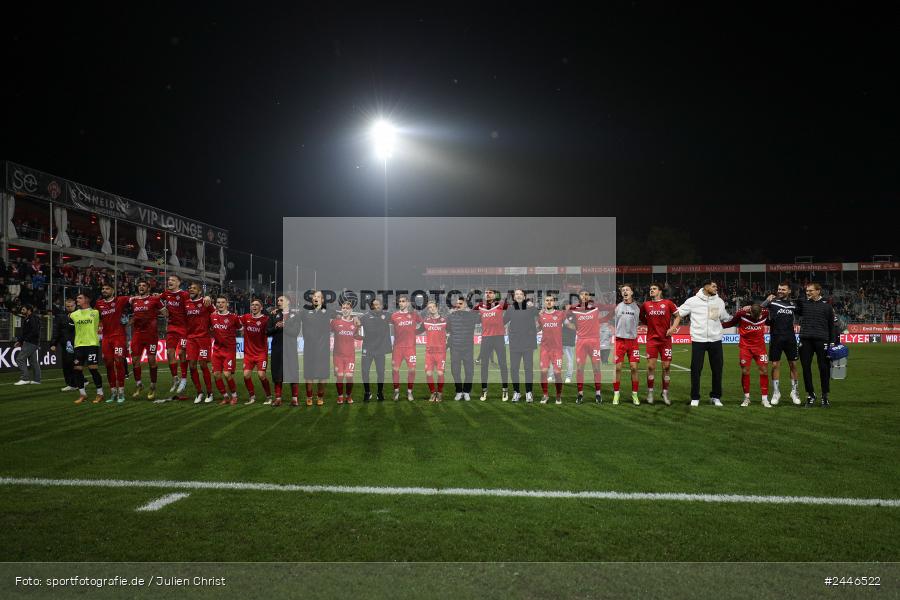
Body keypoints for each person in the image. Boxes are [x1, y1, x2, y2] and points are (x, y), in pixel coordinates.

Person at [675, 279, 732, 407]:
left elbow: (725, 317)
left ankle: (715, 396)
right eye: (714, 286)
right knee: (696, 370)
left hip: (716, 340)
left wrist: (741, 315)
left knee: (717, 370)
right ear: (706, 287)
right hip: (698, 340)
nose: (716, 288)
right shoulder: (692, 301)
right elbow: (678, 313)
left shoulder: (719, 301)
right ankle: (695, 397)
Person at [795, 282, 837, 408]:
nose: (808, 293)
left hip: (822, 340)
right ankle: (811, 395)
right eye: (807, 291)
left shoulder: (828, 307)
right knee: (806, 368)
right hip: (805, 340)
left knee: (824, 368)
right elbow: (791, 308)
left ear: (818, 291)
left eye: (811, 291)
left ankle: (825, 396)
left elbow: (832, 326)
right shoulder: (803, 303)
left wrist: (833, 342)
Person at [722, 303, 771, 407]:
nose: (756, 319)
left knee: (764, 371)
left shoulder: (766, 312)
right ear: (750, 312)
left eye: (758, 317)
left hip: (760, 347)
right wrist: (718, 325)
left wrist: (768, 299)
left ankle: (765, 399)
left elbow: (768, 306)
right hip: (745, 347)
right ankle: (746, 398)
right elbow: (731, 323)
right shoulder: (741, 314)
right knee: (745, 371)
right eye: (754, 316)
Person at [761, 282, 802, 405]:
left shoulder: (793, 304)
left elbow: (804, 312)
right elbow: (758, 310)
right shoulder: (772, 302)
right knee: (774, 366)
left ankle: (794, 391)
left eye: (783, 289)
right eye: (779, 289)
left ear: (789, 291)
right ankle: (776, 392)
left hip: (790, 338)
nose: (780, 291)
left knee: (793, 365)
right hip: (776, 338)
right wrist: (766, 301)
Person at [640, 282, 679, 405]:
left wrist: (673, 328)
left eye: (654, 289)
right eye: (650, 289)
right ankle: (650, 392)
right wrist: (650, 325)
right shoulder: (646, 305)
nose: (651, 290)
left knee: (666, 367)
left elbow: (678, 316)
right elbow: (642, 317)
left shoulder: (668, 303)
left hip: (665, 340)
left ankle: (665, 392)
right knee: (651, 367)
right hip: (652, 340)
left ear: (660, 291)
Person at [567, 290, 603, 404]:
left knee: (596, 368)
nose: (584, 296)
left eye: (587, 294)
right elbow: (563, 317)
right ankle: (580, 394)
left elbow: (611, 308)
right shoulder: (574, 309)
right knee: (579, 368)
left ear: (589, 296)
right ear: (579, 297)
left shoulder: (596, 307)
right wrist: (572, 326)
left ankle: (598, 394)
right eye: (582, 294)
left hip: (594, 342)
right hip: (581, 342)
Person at [95, 283, 130, 403]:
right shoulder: (99, 304)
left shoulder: (120, 300)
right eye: (103, 288)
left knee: (119, 362)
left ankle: (121, 392)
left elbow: (136, 299)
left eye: (107, 289)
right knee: (108, 364)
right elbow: (96, 318)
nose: (104, 290)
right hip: (106, 338)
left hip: (118, 337)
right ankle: (113, 392)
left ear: (113, 290)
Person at [129, 280, 163, 400]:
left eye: (144, 286)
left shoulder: (155, 300)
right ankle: (139, 385)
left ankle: (153, 386)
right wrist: (130, 321)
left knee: (151, 359)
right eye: (139, 286)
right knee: (135, 360)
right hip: (137, 334)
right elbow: (134, 315)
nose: (141, 287)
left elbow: (165, 313)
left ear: (148, 288)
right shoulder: (134, 301)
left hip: (151, 335)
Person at [299, 290, 335, 406]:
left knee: (322, 375)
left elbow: (343, 314)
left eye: (318, 296)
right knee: (309, 375)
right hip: (309, 349)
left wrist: (354, 318)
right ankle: (309, 396)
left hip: (323, 349)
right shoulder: (305, 311)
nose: (316, 298)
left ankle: (320, 397)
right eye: (314, 296)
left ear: (322, 300)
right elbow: (292, 316)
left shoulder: (328, 311)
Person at [160, 274, 192, 397]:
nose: (170, 282)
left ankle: (184, 378)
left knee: (181, 353)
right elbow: (156, 300)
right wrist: (163, 310)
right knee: (169, 353)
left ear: (179, 283)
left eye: (173, 280)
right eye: (169, 280)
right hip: (172, 327)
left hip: (184, 328)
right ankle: (175, 378)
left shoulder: (184, 295)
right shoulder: (166, 294)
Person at [70, 293, 105, 404]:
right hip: (78, 345)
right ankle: (82, 394)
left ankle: (100, 393)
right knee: (77, 369)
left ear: (87, 300)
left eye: (80, 298)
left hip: (92, 344)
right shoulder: (73, 315)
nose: (77, 299)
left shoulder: (95, 313)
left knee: (93, 369)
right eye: (77, 298)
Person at [474, 289, 509, 401]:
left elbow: (514, 310)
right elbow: (470, 315)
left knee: (503, 364)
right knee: (484, 365)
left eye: (490, 292)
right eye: (486, 292)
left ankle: (505, 390)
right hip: (486, 339)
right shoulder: (480, 306)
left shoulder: (501, 304)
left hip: (498, 337)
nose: (488, 294)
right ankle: (484, 391)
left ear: (495, 295)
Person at [504, 289, 538, 403]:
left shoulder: (530, 307)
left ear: (524, 296)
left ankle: (529, 392)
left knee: (528, 369)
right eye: (516, 294)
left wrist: (533, 306)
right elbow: (502, 321)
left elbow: (538, 315)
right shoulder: (510, 309)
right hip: (515, 344)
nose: (518, 296)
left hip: (528, 344)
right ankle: (516, 392)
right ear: (514, 297)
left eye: (520, 294)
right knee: (514, 369)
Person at [185, 281, 215, 404]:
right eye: (190, 288)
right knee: (191, 365)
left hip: (203, 338)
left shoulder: (205, 303)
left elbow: (215, 315)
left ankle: (209, 392)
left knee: (203, 364)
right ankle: (199, 392)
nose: (191, 290)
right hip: (191, 338)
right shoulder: (186, 304)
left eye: (194, 288)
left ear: (199, 291)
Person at [267, 295, 300, 406]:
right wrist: (276, 327)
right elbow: (267, 332)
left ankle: (294, 399)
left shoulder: (295, 315)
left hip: (290, 349)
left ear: (288, 302)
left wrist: (285, 326)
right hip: (277, 348)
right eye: (278, 300)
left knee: (292, 372)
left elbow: (295, 332)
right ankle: (278, 398)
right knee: (277, 373)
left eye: (281, 300)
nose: (279, 302)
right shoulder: (273, 314)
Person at [210, 295, 242, 405]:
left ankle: (234, 396)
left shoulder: (233, 317)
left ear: (227, 304)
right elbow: (209, 328)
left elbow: (241, 329)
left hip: (229, 350)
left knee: (227, 374)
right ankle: (225, 396)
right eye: (218, 302)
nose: (220, 304)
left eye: (223, 302)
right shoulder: (212, 316)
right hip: (217, 350)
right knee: (216, 374)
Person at [357, 298, 391, 402]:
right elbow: (355, 324)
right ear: (371, 306)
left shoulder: (387, 315)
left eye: (378, 305)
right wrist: (355, 318)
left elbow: (400, 318)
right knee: (364, 371)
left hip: (380, 349)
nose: (376, 307)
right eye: (374, 305)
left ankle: (380, 393)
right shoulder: (365, 317)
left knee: (380, 372)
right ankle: (367, 392)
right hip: (367, 349)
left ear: (381, 305)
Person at [240, 299, 272, 405]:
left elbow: (274, 323)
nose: (254, 306)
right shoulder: (245, 317)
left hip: (261, 353)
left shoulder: (266, 319)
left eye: (257, 305)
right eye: (252, 305)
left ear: (261, 308)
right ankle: (252, 397)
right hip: (248, 354)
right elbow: (233, 320)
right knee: (246, 375)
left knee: (261, 375)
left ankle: (269, 397)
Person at [613, 284, 641, 405]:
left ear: (632, 292)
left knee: (634, 368)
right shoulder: (618, 307)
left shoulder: (637, 308)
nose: (625, 292)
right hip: (619, 341)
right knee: (617, 368)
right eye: (623, 290)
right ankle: (616, 394)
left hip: (633, 342)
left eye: (627, 290)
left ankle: (635, 394)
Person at [447, 295, 478, 401]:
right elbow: (447, 330)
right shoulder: (451, 316)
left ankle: (467, 391)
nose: (458, 305)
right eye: (457, 303)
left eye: (461, 303)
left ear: (465, 304)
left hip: (468, 348)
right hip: (455, 348)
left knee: (469, 371)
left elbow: (483, 318)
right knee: (455, 371)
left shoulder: (473, 316)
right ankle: (459, 391)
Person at [391, 295, 422, 401]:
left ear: (408, 303)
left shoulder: (414, 315)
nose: (401, 303)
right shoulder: (394, 316)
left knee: (412, 370)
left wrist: (416, 332)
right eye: (399, 301)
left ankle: (409, 392)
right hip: (397, 348)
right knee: (395, 370)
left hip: (410, 348)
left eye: (403, 301)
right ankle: (396, 391)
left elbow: (423, 325)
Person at [538, 294, 565, 404]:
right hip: (545, 349)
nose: (549, 302)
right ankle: (545, 395)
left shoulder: (560, 314)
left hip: (557, 349)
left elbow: (568, 324)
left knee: (557, 373)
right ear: (544, 302)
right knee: (543, 372)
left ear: (554, 302)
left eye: (551, 300)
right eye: (547, 300)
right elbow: (539, 327)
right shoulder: (541, 316)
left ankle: (558, 396)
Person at [331, 299, 358, 404]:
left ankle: (348, 396)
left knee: (349, 377)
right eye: (343, 308)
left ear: (351, 310)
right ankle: (340, 396)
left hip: (350, 355)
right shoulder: (335, 322)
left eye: (347, 308)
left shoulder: (355, 323)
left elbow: (356, 335)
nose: (345, 310)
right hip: (338, 356)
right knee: (340, 376)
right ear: (341, 309)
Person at [421, 300, 448, 402]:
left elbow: (451, 331)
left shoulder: (444, 320)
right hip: (429, 352)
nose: (431, 309)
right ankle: (433, 393)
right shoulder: (426, 321)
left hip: (441, 352)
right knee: (428, 374)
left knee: (440, 373)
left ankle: (439, 393)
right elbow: (418, 330)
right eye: (429, 307)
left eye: (433, 307)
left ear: (437, 307)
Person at [50, 298, 78, 392]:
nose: (69, 308)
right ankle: (71, 383)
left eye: (71, 306)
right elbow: (56, 330)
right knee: (66, 364)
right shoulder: (61, 316)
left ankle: (75, 383)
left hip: (77, 343)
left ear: (75, 305)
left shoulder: (79, 315)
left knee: (74, 364)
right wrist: (54, 343)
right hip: (65, 344)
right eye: (68, 306)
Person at [14, 303, 42, 385]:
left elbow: (34, 331)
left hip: (30, 342)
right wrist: (20, 341)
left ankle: (25, 378)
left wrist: (25, 340)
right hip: (32, 342)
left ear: (29, 310)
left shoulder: (32, 318)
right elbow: (25, 333)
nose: (22, 311)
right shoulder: (28, 318)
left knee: (20, 359)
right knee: (33, 362)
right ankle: (37, 380)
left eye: (23, 309)